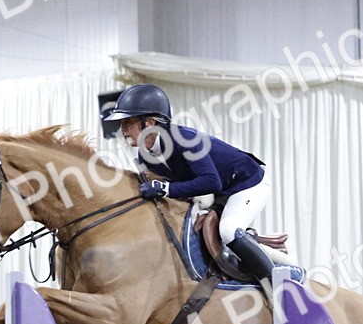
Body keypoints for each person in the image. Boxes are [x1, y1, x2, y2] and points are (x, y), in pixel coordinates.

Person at [104, 83, 275, 294]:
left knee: (228, 230)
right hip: (220, 194)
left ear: (149, 123)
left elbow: (211, 181)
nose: (123, 130)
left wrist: (165, 188)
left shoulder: (184, 139)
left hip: (248, 184)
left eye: (128, 122)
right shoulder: (145, 155)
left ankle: (277, 288)